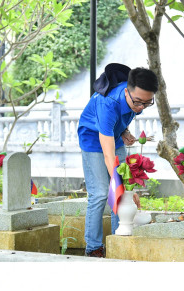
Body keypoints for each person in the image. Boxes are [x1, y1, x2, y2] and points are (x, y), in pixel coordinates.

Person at [77, 66, 159, 258]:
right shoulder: (108, 103)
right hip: (92, 139)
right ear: (126, 91)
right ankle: (93, 247)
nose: (140, 108)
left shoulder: (137, 98)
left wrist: (124, 131)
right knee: (100, 193)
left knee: (122, 191)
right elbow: (108, 155)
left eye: (147, 103)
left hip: (113, 135)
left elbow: (123, 116)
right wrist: (120, 185)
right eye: (138, 102)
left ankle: (119, 237)